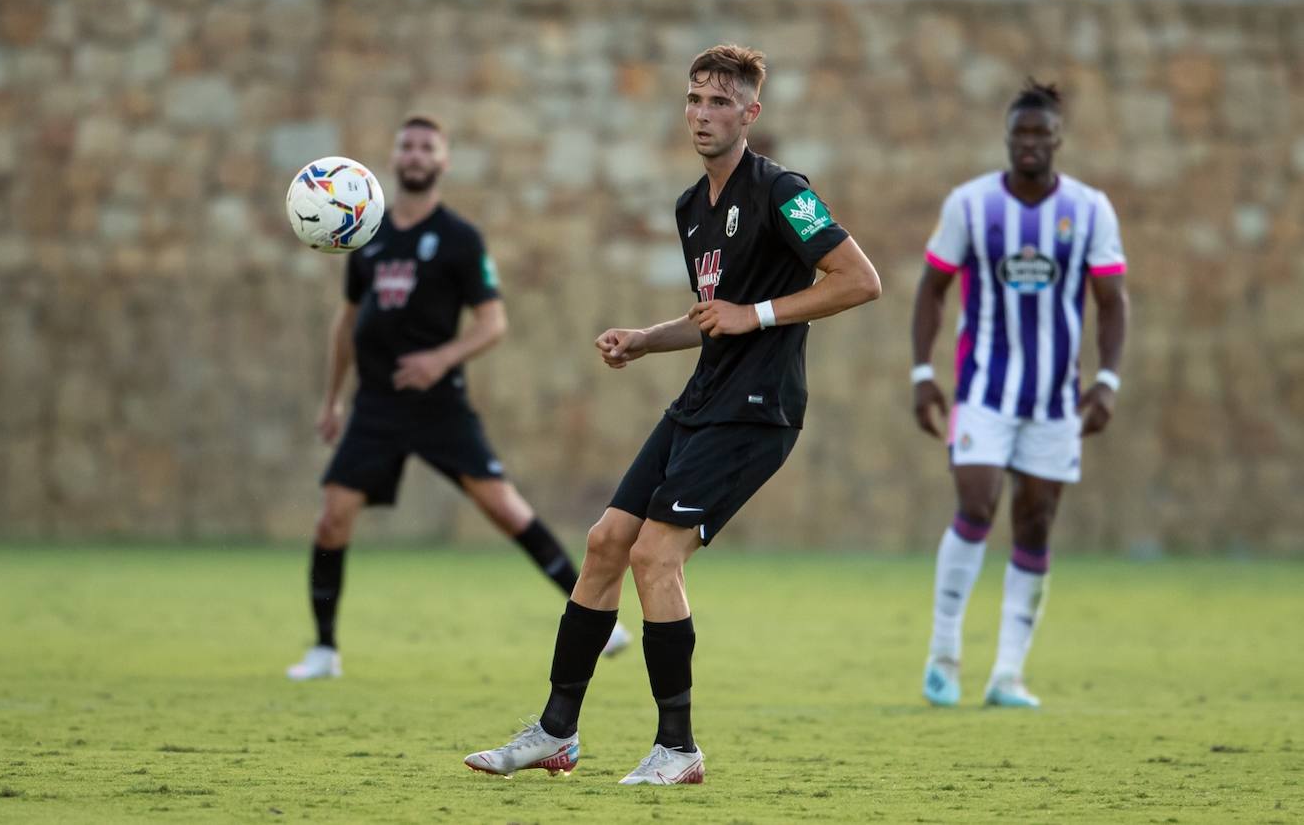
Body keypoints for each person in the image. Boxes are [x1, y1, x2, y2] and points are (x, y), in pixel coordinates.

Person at [463, 45, 881, 784]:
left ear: (750, 114)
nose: (702, 114)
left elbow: (859, 280)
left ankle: (678, 748)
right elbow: (712, 318)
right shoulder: (692, 209)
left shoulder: (783, 191)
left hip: (758, 410)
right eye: (693, 99)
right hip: (702, 399)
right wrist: (647, 339)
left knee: (655, 555)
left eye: (720, 102)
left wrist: (755, 313)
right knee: (605, 543)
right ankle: (555, 732)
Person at [286, 116, 630, 681]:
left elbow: (493, 324)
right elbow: (346, 323)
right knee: (332, 519)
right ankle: (324, 650)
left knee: (504, 507)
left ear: (442, 162)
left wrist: (439, 359)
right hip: (376, 405)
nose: (416, 155)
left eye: (427, 147)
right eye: (407, 146)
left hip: (439, 404)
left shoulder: (459, 239)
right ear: (394, 160)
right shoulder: (363, 235)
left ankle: (598, 620)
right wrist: (332, 400)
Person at [911, 80, 1129, 708]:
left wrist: (1107, 381)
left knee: (1034, 524)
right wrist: (922, 374)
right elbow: (931, 289)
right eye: (1020, 133)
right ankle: (943, 657)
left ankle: (1007, 674)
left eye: (1041, 133)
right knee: (977, 505)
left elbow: (1113, 302)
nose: (1030, 143)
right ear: (1007, 138)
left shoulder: (1090, 210)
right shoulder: (970, 205)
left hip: (1056, 402)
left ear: (1059, 139)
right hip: (983, 392)